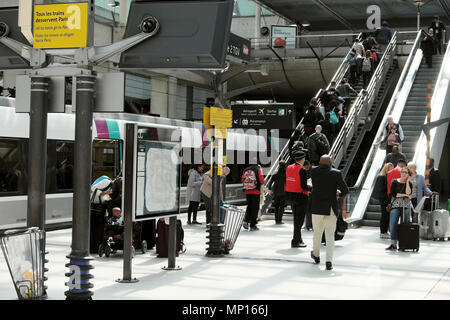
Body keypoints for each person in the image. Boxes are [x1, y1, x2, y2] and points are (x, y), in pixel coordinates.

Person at [310, 155, 349, 270]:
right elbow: (345, 190)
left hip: (317, 207)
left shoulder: (313, 171)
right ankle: (328, 261)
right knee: (330, 235)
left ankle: (316, 255)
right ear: (330, 163)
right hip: (331, 208)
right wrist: (337, 194)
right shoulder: (336, 173)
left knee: (317, 233)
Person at [285, 152, 311, 248]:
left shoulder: (288, 167)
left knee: (296, 219)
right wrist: (311, 188)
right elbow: (304, 186)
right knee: (299, 220)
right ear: (303, 159)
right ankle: (295, 241)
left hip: (291, 197)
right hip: (301, 197)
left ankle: (299, 239)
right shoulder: (302, 170)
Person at [385, 167, 413, 251]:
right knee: (392, 224)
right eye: (402, 172)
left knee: (405, 225)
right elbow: (394, 194)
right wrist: (404, 195)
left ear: (408, 174)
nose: (403, 174)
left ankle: (403, 243)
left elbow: (409, 193)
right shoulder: (394, 181)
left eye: (405, 172)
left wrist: (407, 182)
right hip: (395, 206)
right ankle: (393, 243)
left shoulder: (410, 184)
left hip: (406, 206)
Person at [242, 163, 264, 231]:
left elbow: (242, 179)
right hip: (255, 191)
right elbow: (262, 180)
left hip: (247, 191)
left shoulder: (246, 169)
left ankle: (246, 221)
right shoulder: (258, 169)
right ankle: (253, 225)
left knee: (249, 206)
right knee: (255, 208)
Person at [374, 163, 394, 239]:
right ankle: (383, 232)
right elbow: (380, 189)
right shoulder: (381, 177)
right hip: (384, 198)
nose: (391, 170)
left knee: (388, 215)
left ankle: (386, 231)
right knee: (384, 215)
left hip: (389, 198)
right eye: (390, 168)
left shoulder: (389, 177)